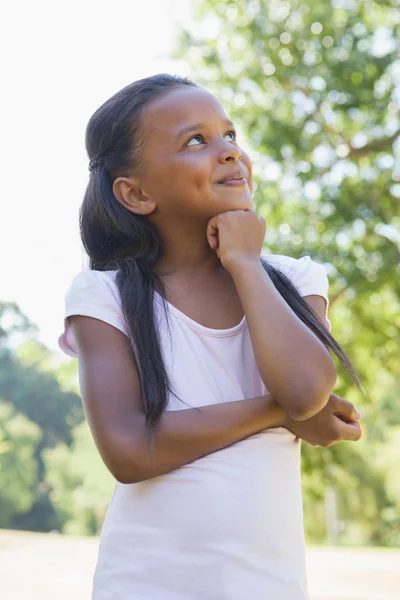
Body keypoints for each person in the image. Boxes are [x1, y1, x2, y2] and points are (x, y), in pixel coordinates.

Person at [58, 74, 363, 600]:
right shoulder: (103, 297)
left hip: (270, 587)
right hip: (143, 586)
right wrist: (274, 412)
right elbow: (130, 451)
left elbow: (307, 389)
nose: (228, 152)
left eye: (230, 135)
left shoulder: (296, 279)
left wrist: (244, 262)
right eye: (195, 141)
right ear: (135, 193)